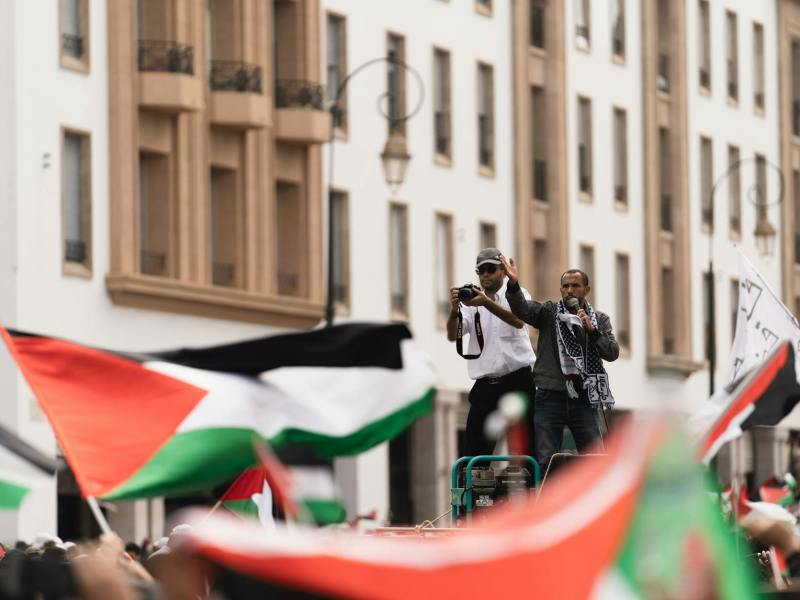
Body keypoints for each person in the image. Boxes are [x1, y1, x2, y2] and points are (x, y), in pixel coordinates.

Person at [502, 257, 618, 474]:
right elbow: (523, 309)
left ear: (587, 289)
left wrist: (592, 331)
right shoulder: (548, 312)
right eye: (565, 286)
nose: (569, 291)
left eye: (575, 286)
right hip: (550, 396)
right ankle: (548, 501)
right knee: (547, 459)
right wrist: (513, 284)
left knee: (594, 459)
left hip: (584, 398)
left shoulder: (599, 319)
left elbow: (611, 353)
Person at [446, 248, 536, 457]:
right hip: (486, 385)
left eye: (491, 269)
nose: (485, 274)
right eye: (481, 270)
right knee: (475, 451)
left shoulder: (518, 295)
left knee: (529, 446)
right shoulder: (471, 301)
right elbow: (452, 335)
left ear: (503, 272)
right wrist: (453, 310)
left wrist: (485, 303)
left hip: (518, 381)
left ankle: (533, 487)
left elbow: (518, 319)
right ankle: (475, 488)